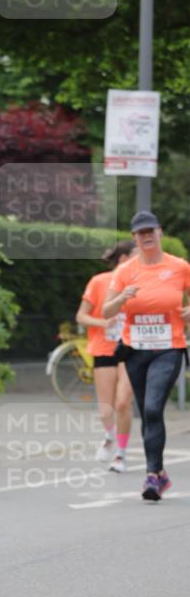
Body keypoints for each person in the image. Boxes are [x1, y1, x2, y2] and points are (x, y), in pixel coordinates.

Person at [103, 211, 190, 501]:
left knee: (153, 408)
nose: (146, 236)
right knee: (146, 411)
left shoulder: (179, 267)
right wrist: (121, 297)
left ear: (160, 231)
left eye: (150, 230)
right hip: (135, 351)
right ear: (134, 238)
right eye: (140, 233)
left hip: (168, 347)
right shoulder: (125, 271)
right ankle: (158, 473)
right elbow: (106, 311)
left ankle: (151, 475)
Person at [76, 240, 135, 473]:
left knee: (123, 402)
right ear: (122, 260)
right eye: (135, 255)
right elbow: (81, 316)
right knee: (106, 409)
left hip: (130, 349)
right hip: (103, 348)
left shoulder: (140, 283)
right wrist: (103, 322)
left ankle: (120, 454)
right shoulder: (99, 282)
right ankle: (109, 436)